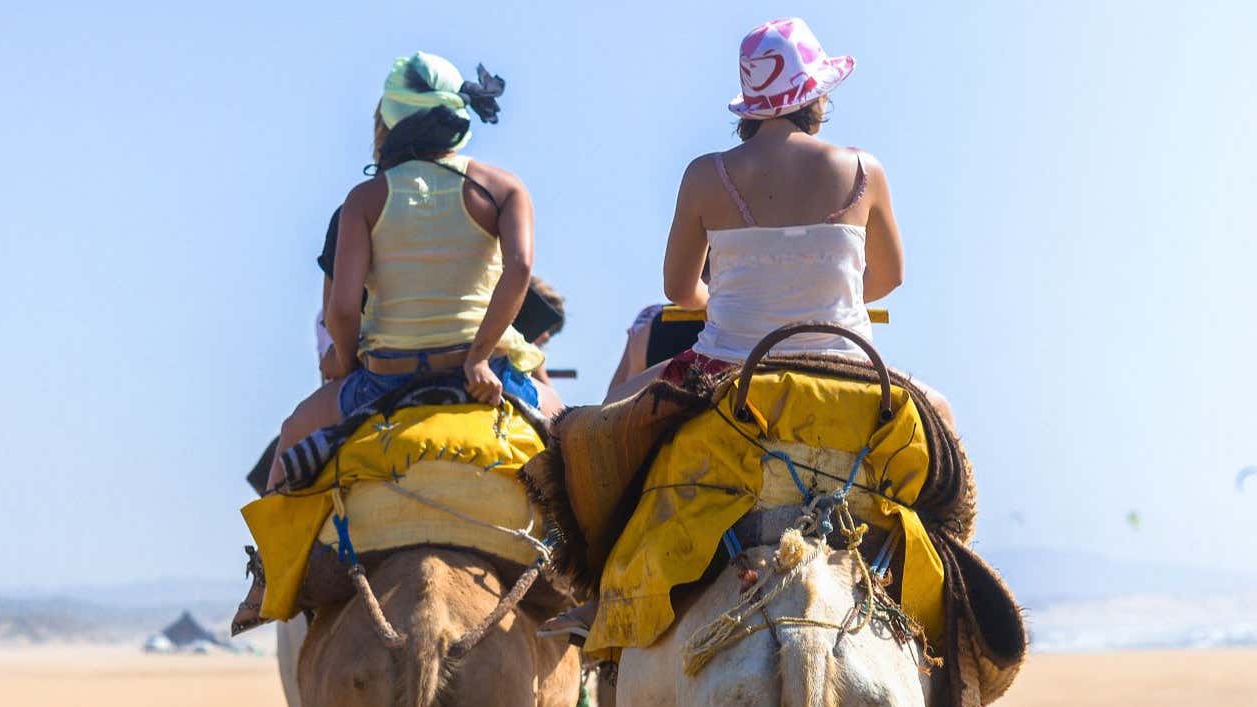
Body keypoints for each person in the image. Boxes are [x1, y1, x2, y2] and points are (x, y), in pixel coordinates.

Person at [605, 18, 950, 424]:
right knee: (940, 414)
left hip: (724, 369)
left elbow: (679, 289)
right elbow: (889, 278)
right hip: (847, 372)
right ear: (813, 97)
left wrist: (722, 305)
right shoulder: (864, 169)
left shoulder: (703, 175)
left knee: (604, 413)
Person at [267, 51, 559, 489]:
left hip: (383, 383)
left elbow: (342, 311)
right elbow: (519, 269)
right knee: (574, 443)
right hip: (486, 376)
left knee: (291, 438)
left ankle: (273, 561)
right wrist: (478, 357)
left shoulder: (364, 200)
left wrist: (348, 366)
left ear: (389, 121)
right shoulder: (504, 188)